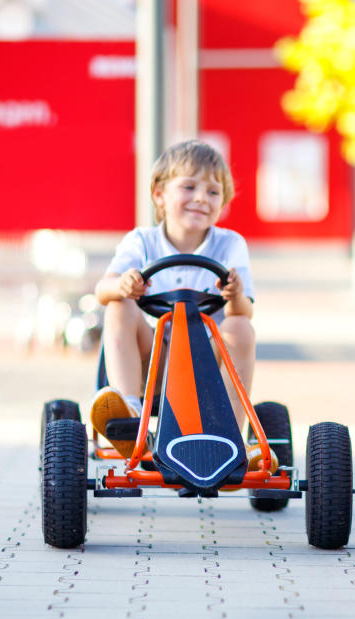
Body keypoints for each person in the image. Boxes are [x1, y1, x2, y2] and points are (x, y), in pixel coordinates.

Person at [90, 140, 256, 457]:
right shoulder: (142, 241)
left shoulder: (230, 244)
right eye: (189, 187)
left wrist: (234, 294)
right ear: (159, 194)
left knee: (241, 328)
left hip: (208, 357)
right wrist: (123, 285)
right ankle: (130, 415)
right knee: (118, 305)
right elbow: (102, 289)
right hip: (154, 357)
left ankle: (232, 435)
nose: (200, 199)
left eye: (212, 192)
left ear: (223, 202)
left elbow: (244, 311)